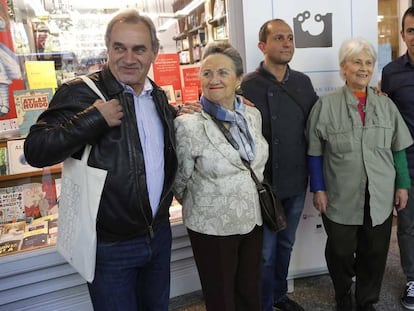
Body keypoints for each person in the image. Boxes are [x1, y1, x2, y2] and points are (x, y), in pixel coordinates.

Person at [24, 9, 178, 311]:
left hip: (159, 236)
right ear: (108, 49)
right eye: (119, 47)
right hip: (111, 246)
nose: (128, 58)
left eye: (139, 49)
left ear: (154, 53)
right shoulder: (80, 92)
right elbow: (36, 150)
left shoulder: (156, 96)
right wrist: (93, 118)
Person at [307, 38, 413, 311]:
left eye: (368, 63)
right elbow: (315, 151)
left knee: (376, 252)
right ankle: (343, 294)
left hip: (379, 194)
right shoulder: (326, 106)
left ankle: (366, 300)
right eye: (357, 62)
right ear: (344, 68)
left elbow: (398, 148)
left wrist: (402, 185)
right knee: (340, 250)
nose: (363, 68)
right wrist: (318, 188)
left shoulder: (385, 105)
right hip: (341, 195)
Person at [173, 42, 269, 311]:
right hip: (212, 225)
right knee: (221, 298)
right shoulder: (188, 124)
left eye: (223, 73)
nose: (214, 79)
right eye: (207, 73)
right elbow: (179, 181)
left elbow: (256, 163)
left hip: (252, 219)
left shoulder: (253, 115)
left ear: (239, 79)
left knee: (250, 291)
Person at [241, 19, 318, 311]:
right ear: (263, 46)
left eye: (290, 38)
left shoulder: (303, 82)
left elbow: (316, 126)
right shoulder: (247, 85)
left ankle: (278, 296)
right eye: (279, 38)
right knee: (264, 253)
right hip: (262, 186)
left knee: (285, 245)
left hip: (296, 181)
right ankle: (263, 304)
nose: (287, 43)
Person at [381, 6, 414, 310]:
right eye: (411, 30)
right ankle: (413, 278)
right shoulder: (391, 73)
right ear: (403, 34)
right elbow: (387, 117)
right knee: (407, 225)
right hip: (408, 162)